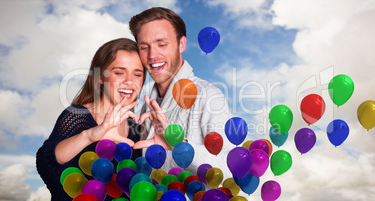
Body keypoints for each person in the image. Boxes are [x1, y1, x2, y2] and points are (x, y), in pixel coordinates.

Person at [129, 7, 234, 178]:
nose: (152, 55)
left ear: (181, 44)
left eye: (162, 44)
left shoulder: (208, 96)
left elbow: (228, 169)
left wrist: (178, 144)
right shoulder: (146, 109)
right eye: (144, 47)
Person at [36, 38, 146, 200]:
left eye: (137, 74)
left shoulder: (136, 128)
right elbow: (47, 162)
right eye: (119, 72)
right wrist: (90, 136)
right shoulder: (77, 115)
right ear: (100, 77)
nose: (129, 81)